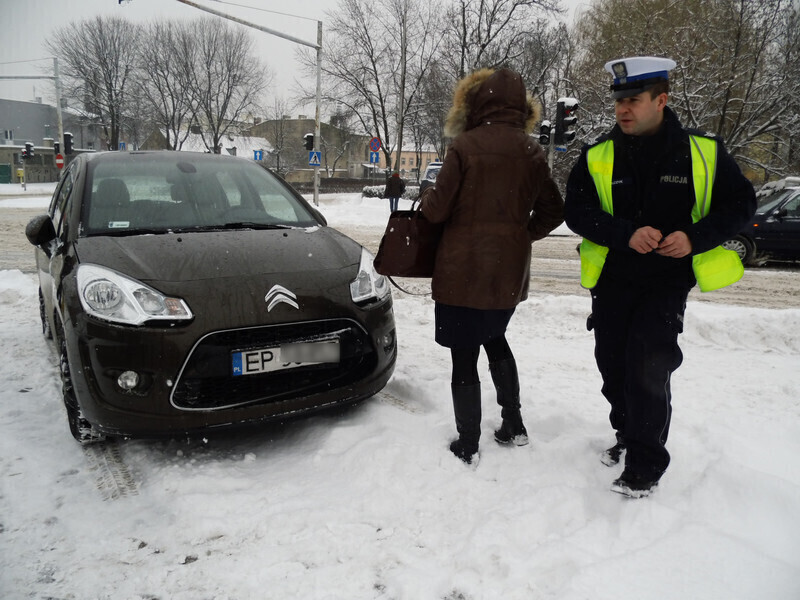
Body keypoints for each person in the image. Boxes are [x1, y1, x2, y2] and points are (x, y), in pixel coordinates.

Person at [564, 56, 756, 497]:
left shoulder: (703, 152)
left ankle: (646, 462)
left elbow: (741, 204)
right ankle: (627, 434)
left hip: (666, 283)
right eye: (618, 102)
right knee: (612, 367)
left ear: (661, 100)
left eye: (632, 100)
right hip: (612, 281)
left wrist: (694, 237)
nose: (622, 110)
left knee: (648, 367)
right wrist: (624, 233)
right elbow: (576, 212)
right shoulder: (598, 155)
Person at [420, 67, 564, 465]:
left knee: (463, 353)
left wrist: (427, 196)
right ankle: (513, 423)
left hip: (461, 271)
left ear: (477, 102)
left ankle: (467, 443)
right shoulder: (532, 152)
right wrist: (520, 235)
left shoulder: (465, 146)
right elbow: (554, 209)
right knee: (495, 338)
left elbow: (436, 210)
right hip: (507, 273)